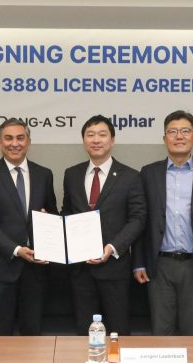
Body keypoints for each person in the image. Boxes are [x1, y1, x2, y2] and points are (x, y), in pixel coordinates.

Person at [133, 110, 193, 335]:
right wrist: (138, 263)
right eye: (172, 131)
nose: (179, 136)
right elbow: (140, 221)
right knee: (161, 332)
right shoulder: (148, 173)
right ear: (164, 138)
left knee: (192, 331)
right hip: (159, 265)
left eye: (185, 131)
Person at [62, 115, 146, 335]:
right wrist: (50, 222)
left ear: (112, 140)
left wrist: (112, 247)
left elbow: (138, 218)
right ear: (84, 141)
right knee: (84, 334)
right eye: (90, 135)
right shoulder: (72, 174)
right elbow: (68, 213)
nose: (96, 140)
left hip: (115, 270)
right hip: (80, 270)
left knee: (118, 333)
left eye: (102, 134)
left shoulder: (131, 176)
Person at [0, 118, 57, 335]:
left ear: (28, 141)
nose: (15, 143)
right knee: (1, 336)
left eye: (20, 138)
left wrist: (49, 220)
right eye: (8, 138)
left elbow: (52, 214)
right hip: (1, 269)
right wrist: (16, 250)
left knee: (33, 335)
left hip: (36, 271)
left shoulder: (44, 174)